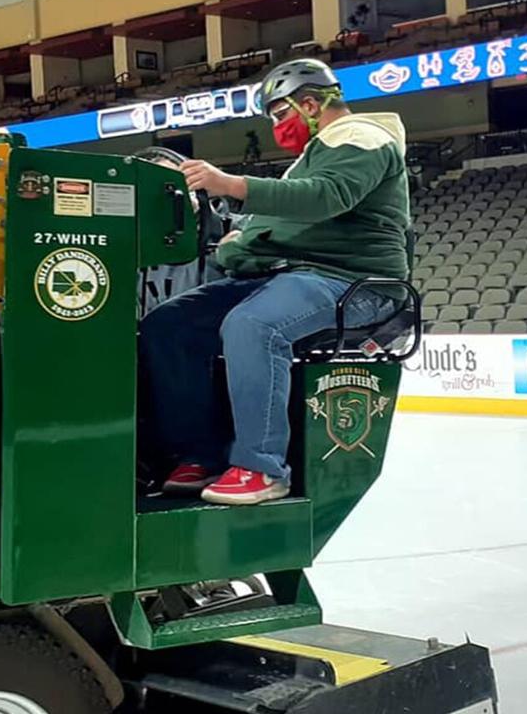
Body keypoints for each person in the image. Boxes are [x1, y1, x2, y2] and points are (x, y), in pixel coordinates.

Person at [138, 58, 410, 504]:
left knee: (255, 325)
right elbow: (271, 227)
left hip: (355, 280)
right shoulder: (310, 158)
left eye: (280, 114)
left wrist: (231, 184)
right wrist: (235, 245)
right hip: (298, 275)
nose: (278, 126)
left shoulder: (361, 137)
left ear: (309, 103)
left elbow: (324, 198)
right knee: (169, 325)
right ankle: (202, 454)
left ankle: (261, 467)